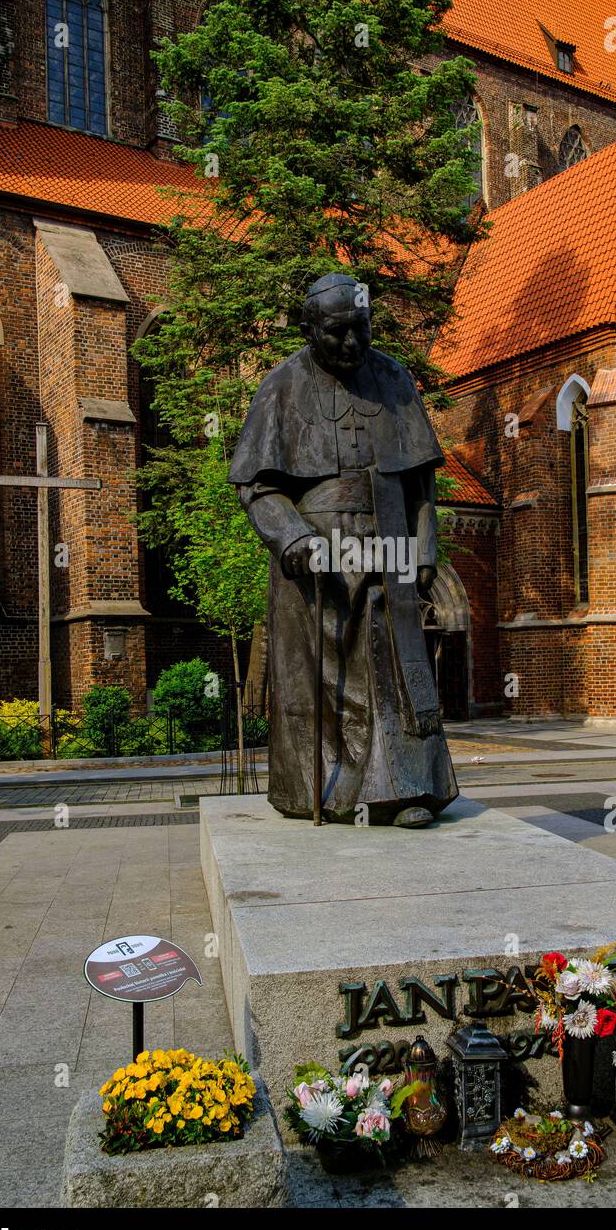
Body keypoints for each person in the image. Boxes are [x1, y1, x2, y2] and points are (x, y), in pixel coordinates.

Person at [229, 272, 458, 826]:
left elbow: (421, 485)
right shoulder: (280, 386)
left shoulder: (394, 379)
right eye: (337, 333)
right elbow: (258, 487)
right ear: (310, 330)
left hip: (389, 540)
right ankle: (324, 791)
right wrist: (296, 539)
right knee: (320, 678)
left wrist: (424, 552)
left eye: (361, 329)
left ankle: (403, 790)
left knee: (392, 665)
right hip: (315, 556)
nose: (353, 343)